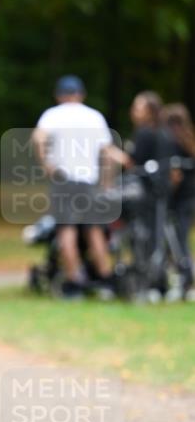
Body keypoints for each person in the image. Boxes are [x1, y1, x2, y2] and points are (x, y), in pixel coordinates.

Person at [32, 76, 125, 299]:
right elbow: (108, 153)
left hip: (64, 180)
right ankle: (104, 279)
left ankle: (74, 282)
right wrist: (106, 182)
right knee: (94, 230)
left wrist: (47, 165)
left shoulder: (52, 115)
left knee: (67, 230)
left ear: (59, 95)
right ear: (81, 94)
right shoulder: (95, 117)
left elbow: (38, 139)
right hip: (89, 182)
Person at [161, 103, 195, 298]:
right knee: (181, 239)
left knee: (175, 240)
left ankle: (183, 279)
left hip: (177, 199)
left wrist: (166, 194)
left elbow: (175, 176)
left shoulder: (172, 142)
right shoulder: (189, 141)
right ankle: (185, 279)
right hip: (190, 198)